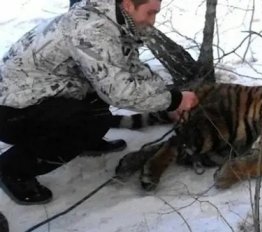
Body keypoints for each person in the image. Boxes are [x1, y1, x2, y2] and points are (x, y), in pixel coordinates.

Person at [0, 0, 199, 205]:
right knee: (93, 121)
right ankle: (13, 170)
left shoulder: (114, 19)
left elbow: (129, 69)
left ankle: (83, 141)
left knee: (97, 103)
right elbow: (119, 91)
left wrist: (169, 95)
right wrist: (173, 101)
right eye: (150, 13)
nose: (153, 21)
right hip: (12, 112)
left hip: (42, 94)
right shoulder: (93, 29)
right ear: (129, 5)